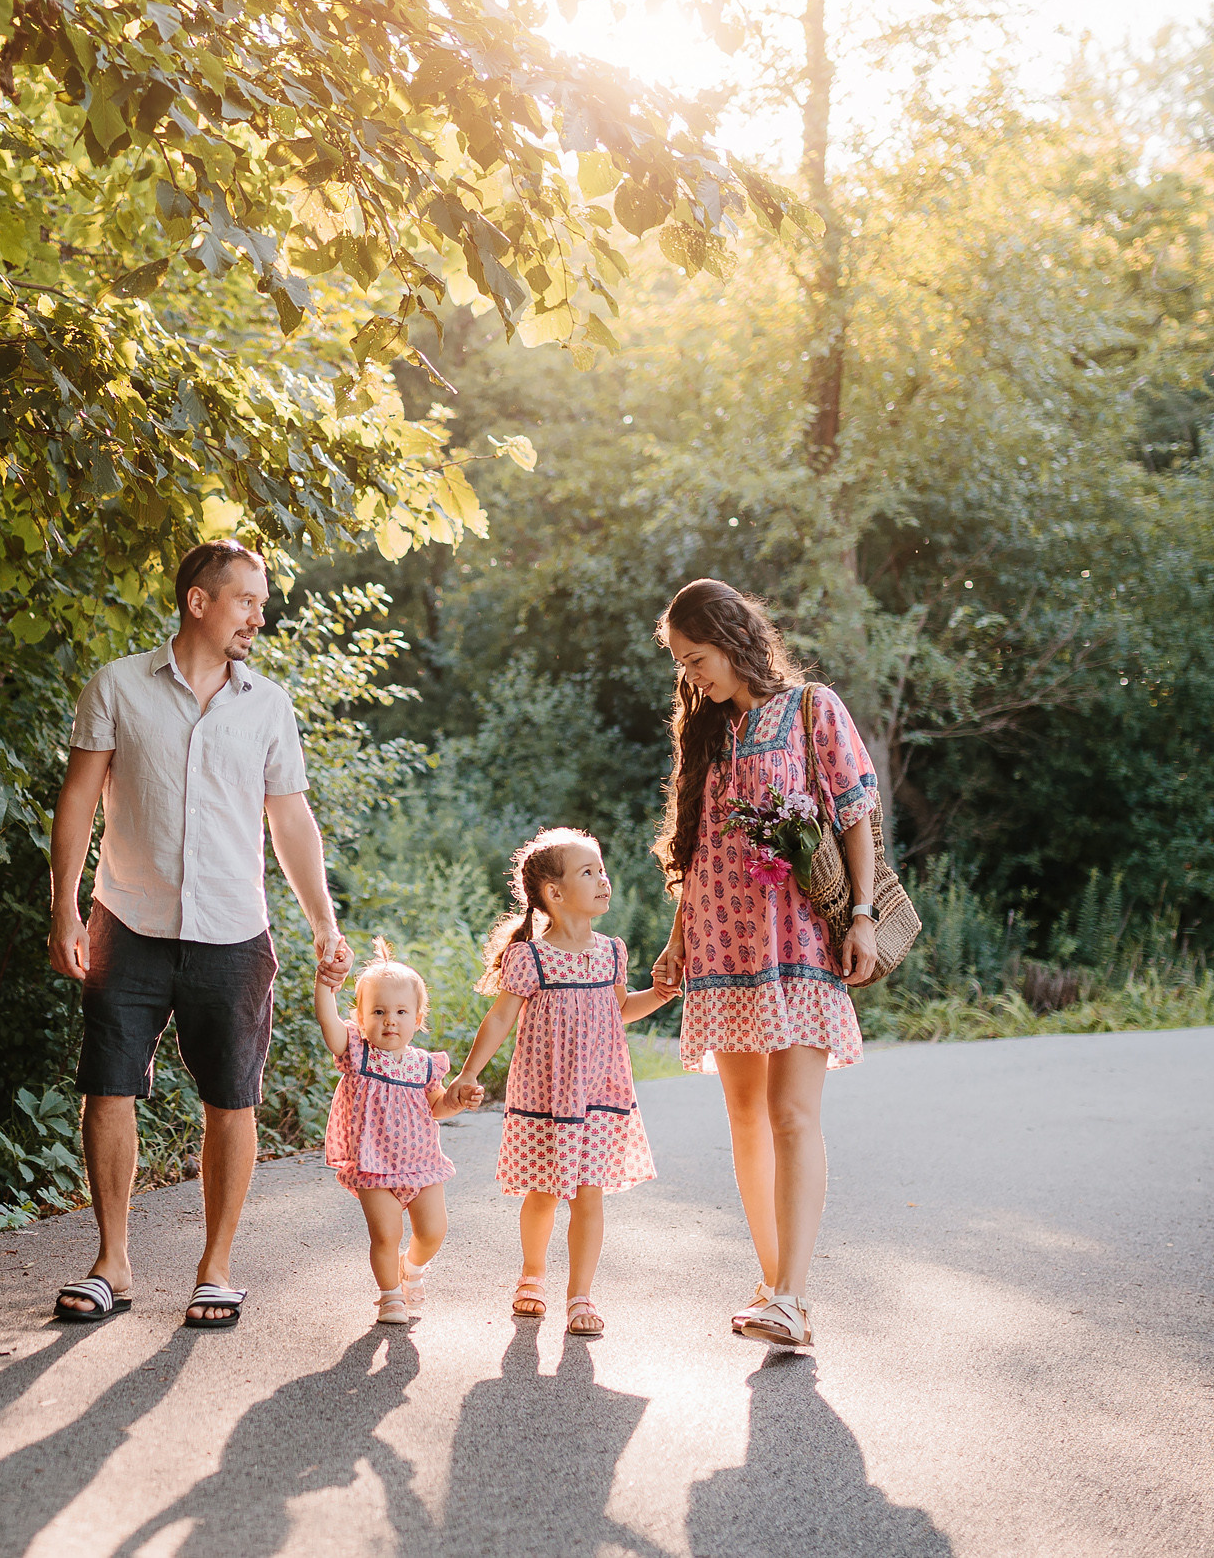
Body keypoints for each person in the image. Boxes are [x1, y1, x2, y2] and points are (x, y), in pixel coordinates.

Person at [48, 539, 355, 1329]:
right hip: (128, 921)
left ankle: (215, 1268)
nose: (259, 616)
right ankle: (112, 1263)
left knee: (232, 1097)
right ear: (199, 601)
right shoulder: (117, 686)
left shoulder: (268, 705)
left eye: (261, 603)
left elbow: (291, 819)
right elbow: (78, 798)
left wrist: (323, 921)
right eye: (247, 600)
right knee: (108, 1086)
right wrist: (65, 907)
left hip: (233, 931)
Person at [646, 578, 882, 1352]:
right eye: (682, 663)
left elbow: (856, 813)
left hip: (799, 942)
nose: (691, 674)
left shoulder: (813, 708)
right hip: (720, 946)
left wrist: (863, 914)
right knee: (745, 1115)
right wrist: (678, 937)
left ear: (731, 638)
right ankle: (776, 1282)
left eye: (697, 657)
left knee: (791, 1113)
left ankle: (792, 1296)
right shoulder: (708, 732)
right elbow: (699, 847)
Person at [456, 827, 675, 1337]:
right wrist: (468, 1073)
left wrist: (662, 995)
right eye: (588, 872)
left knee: (589, 1194)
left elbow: (620, 1010)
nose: (603, 880)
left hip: (600, 1094)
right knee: (543, 1192)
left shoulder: (612, 952)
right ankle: (532, 1275)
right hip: (546, 1097)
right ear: (554, 893)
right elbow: (500, 1018)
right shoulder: (531, 957)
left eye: (602, 870)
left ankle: (580, 1296)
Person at [313, 940, 483, 1325]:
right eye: (378, 1011)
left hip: (422, 1164)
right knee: (386, 1235)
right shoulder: (357, 1053)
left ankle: (413, 1267)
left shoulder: (424, 1065)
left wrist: (458, 1100)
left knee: (433, 1231)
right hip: (374, 1165)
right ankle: (390, 1296)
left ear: (417, 1019)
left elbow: (437, 1106)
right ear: (360, 1018)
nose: (390, 1020)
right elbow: (328, 1021)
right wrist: (325, 984)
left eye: (401, 1012)